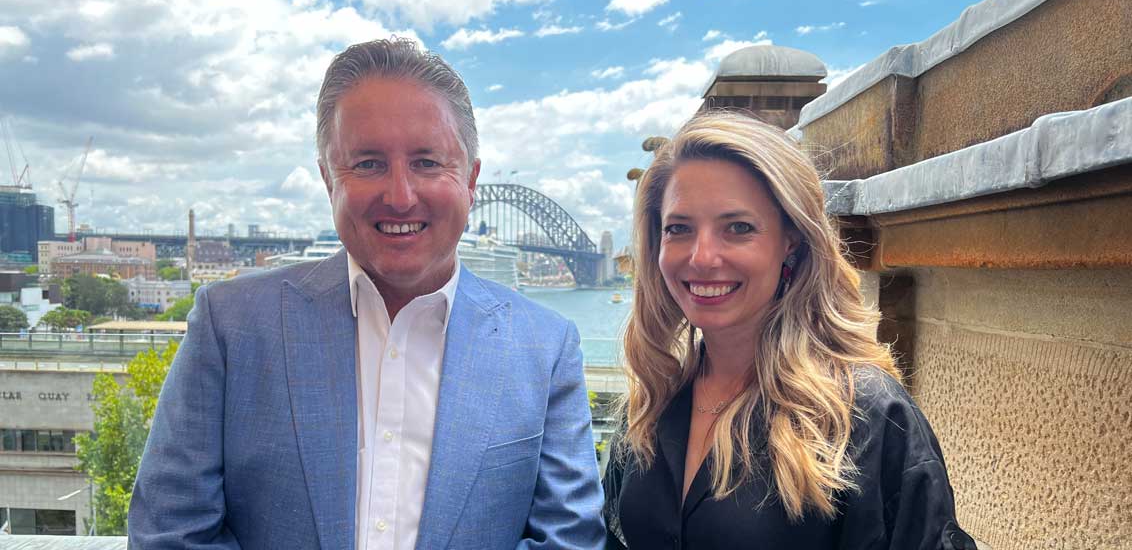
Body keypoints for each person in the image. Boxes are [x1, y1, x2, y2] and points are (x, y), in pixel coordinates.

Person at [128, 38, 605, 549]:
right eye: (368, 164)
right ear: (327, 179)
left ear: (471, 180)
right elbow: (170, 533)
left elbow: (569, 539)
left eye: (427, 162)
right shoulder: (230, 325)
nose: (400, 196)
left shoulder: (546, 347)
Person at [603, 111, 977, 549]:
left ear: (792, 241)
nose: (702, 257)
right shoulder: (653, 404)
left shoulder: (864, 415)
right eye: (679, 229)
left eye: (738, 228)